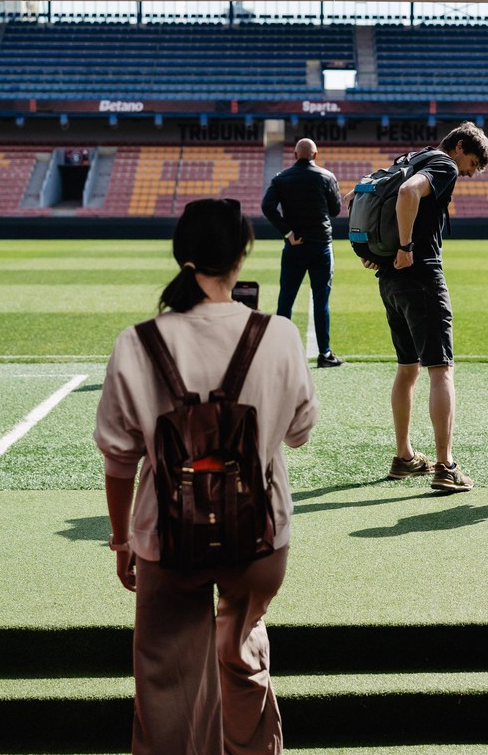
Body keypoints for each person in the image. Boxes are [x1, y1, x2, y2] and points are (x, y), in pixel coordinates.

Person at [94, 198, 317, 755]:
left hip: (167, 541)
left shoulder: (137, 342)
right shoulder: (279, 335)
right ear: (241, 256)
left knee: (166, 680)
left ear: (182, 255)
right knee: (242, 648)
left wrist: (121, 540)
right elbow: (299, 432)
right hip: (260, 536)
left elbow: (120, 461)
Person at [361, 121, 488, 493]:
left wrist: (376, 251)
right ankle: (445, 466)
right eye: (472, 164)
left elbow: (359, 198)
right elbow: (407, 192)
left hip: (390, 279)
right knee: (441, 369)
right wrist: (404, 246)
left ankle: (404, 458)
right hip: (420, 275)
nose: (469, 173)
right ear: (460, 146)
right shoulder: (443, 164)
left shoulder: (411, 157)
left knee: (407, 369)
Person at [261, 137, 344, 367]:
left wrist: (288, 232)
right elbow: (335, 210)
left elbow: (267, 206)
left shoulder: (281, 178)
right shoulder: (327, 177)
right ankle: (325, 354)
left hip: (294, 247)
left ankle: (280, 353)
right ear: (315, 155)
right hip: (321, 246)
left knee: (286, 299)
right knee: (321, 300)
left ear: (295, 155)